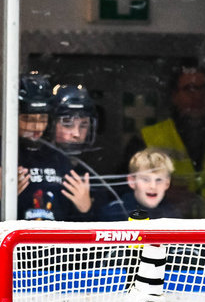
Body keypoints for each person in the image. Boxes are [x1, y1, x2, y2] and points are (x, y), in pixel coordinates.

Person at [131, 64, 205, 217]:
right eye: (190, 89)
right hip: (166, 225)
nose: (198, 96)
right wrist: (164, 190)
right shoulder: (148, 137)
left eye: (203, 88)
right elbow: (127, 188)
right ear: (174, 95)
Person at [46, 82, 124, 221]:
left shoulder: (94, 171)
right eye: (67, 123)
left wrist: (87, 210)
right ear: (50, 124)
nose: (76, 133)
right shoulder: (35, 165)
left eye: (83, 125)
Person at [16, 72, 78, 222]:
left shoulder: (58, 157)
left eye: (42, 119)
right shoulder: (5, 155)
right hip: (14, 242)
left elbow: (70, 215)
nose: (37, 127)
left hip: (54, 243)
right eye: (28, 119)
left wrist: (85, 210)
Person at [101, 148, 180, 221]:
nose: (153, 186)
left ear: (167, 183)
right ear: (132, 181)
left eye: (158, 180)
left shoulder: (172, 216)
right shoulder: (115, 212)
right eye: (145, 180)